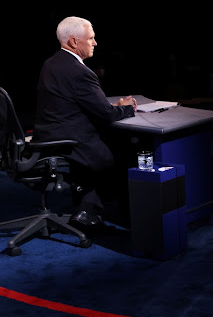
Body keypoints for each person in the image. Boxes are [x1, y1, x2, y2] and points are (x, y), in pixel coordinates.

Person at [33, 16, 137, 231]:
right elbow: (107, 114)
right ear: (73, 42)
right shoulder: (80, 71)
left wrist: (111, 107)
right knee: (125, 148)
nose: (95, 43)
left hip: (47, 138)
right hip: (70, 142)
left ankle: (87, 209)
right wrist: (127, 107)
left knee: (104, 142)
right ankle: (114, 214)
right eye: (91, 38)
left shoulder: (50, 63)